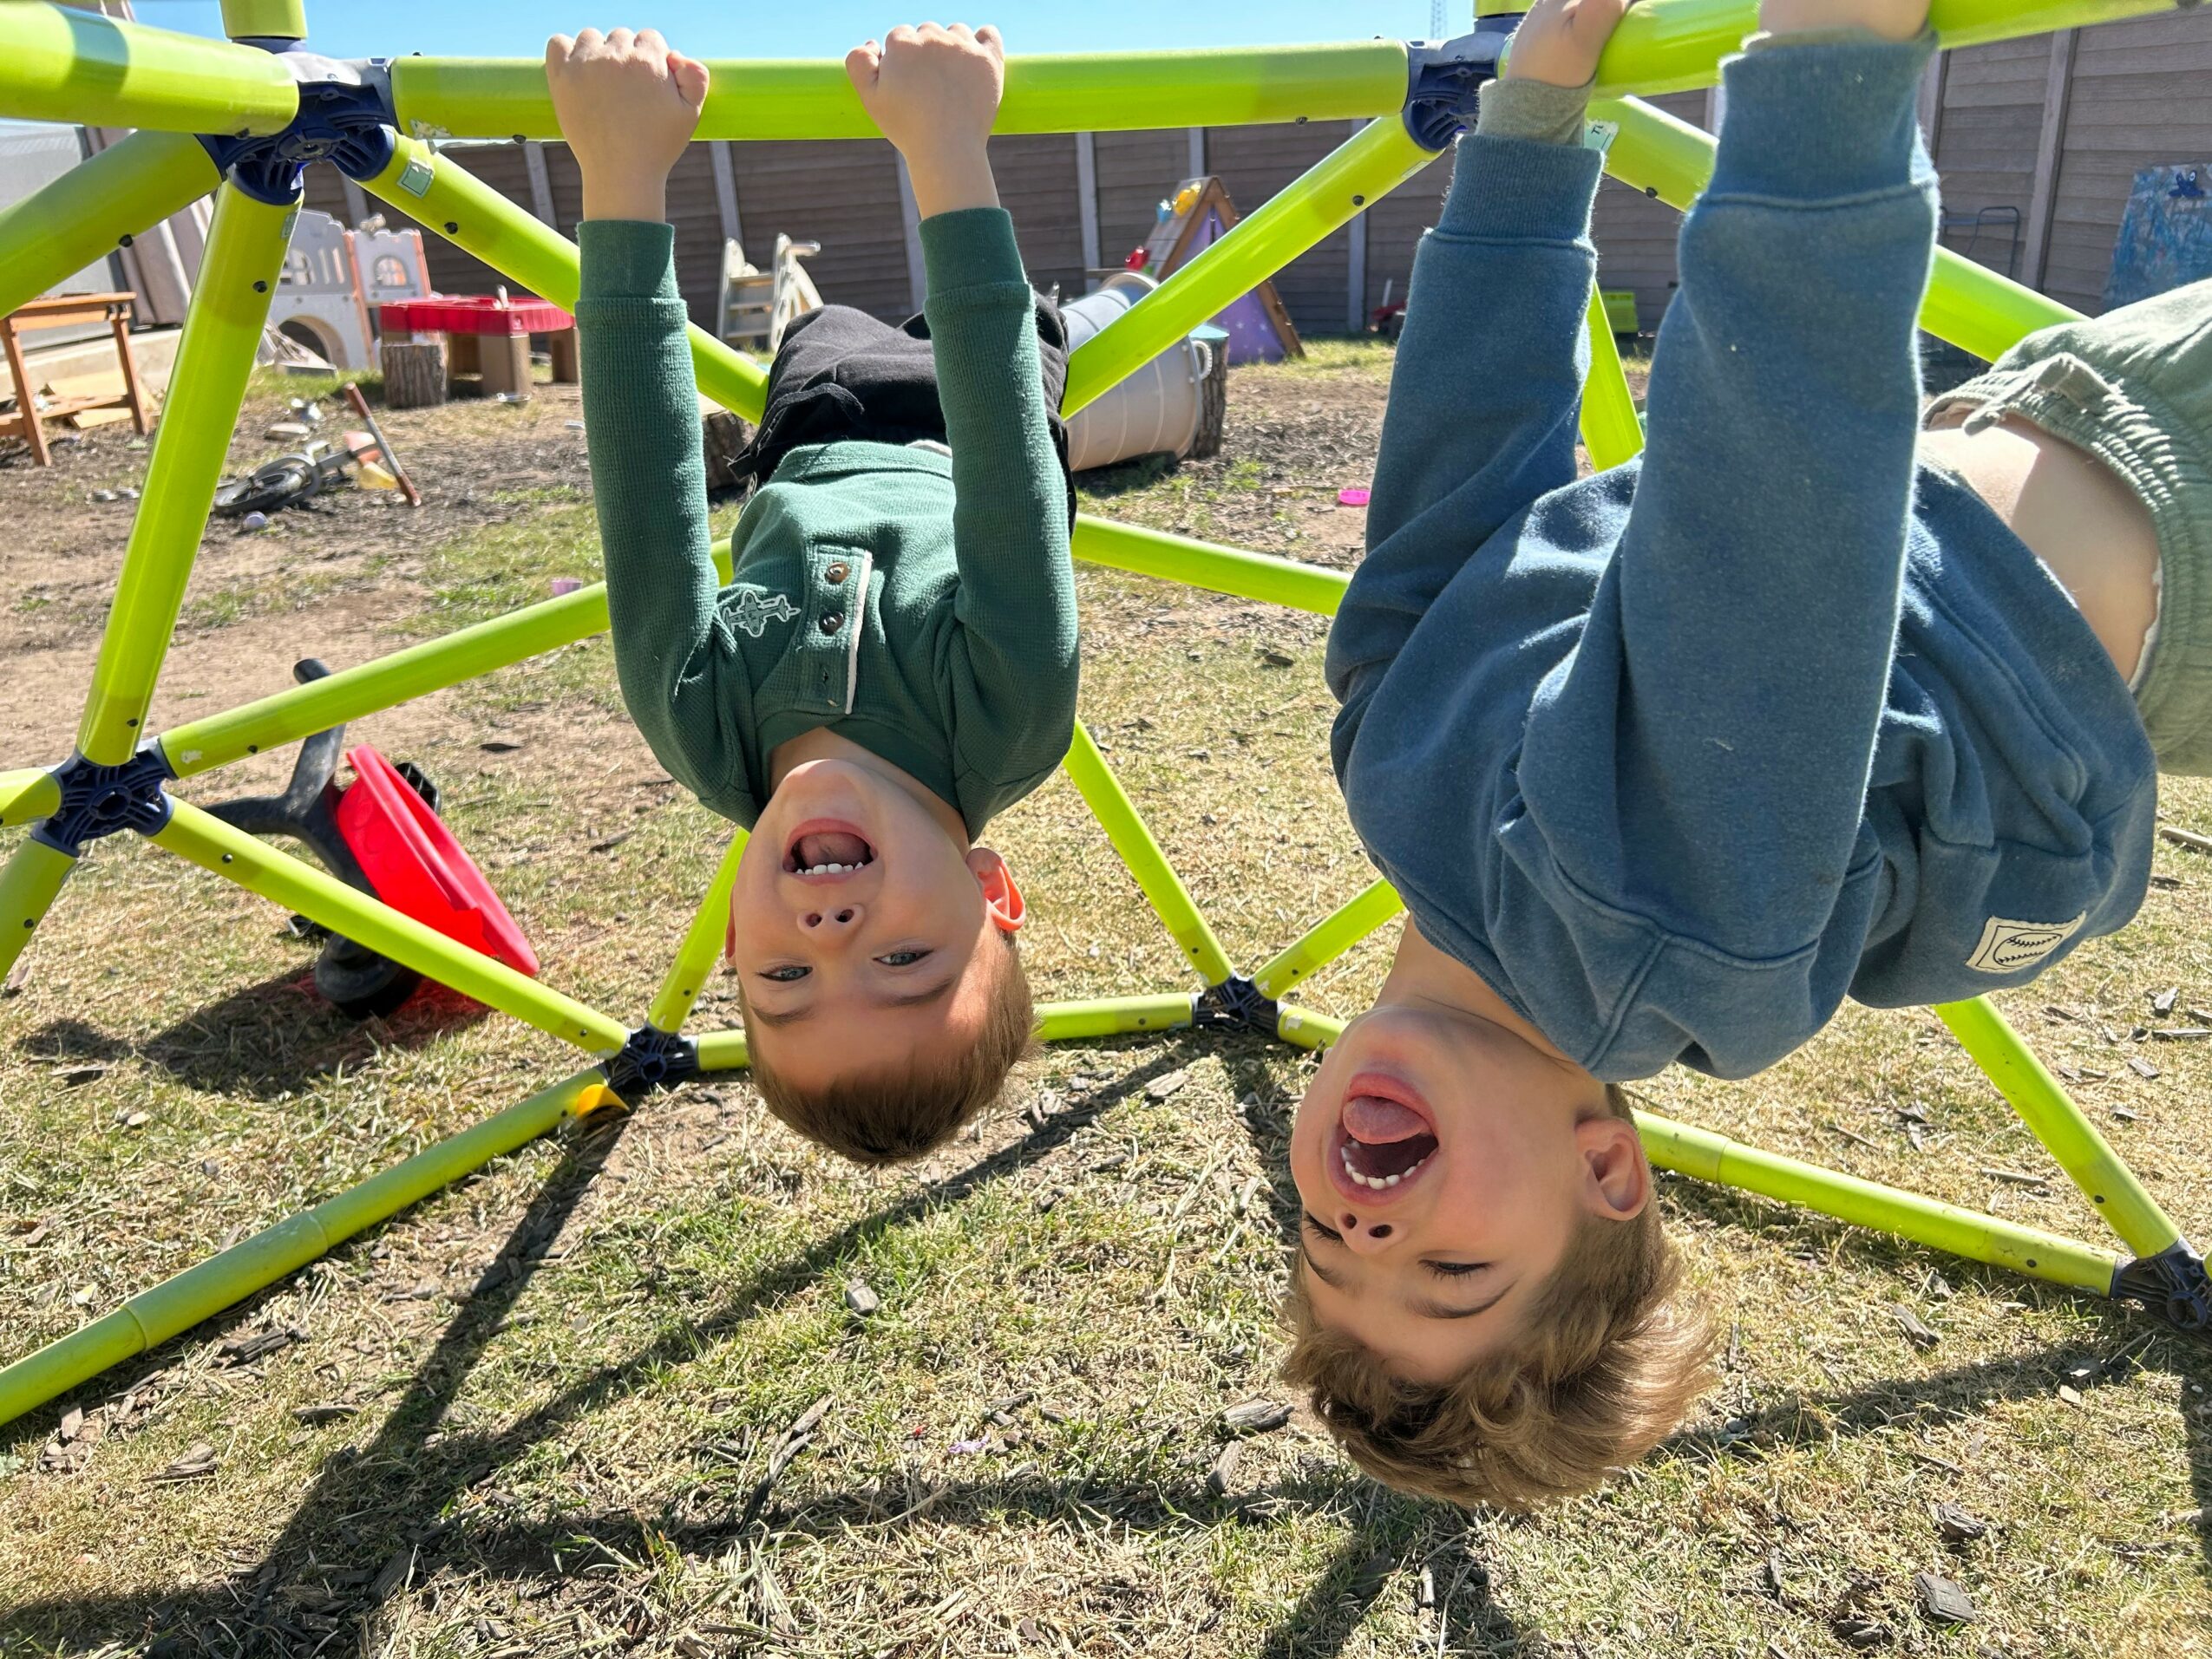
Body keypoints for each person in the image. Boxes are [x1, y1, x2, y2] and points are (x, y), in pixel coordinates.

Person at [1288, 0, 2209, 1508]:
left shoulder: (1385, 769)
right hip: (2177, 515)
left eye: (1328, 1249)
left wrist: (1526, 138)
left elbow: (1456, 473)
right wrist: (1822, 82)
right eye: (1451, 1273)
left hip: (2050, 417)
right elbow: (1768, 503)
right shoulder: (1655, 937)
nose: (1370, 1228)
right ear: (1605, 1171)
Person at [547, 21, 1077, 1164]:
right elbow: (1004, 455)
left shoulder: (697, 721)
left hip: (813, 417)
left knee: (821, 329)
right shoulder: (1010, 717)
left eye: (785, 977)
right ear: (992, 892)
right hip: (966, 422)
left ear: (736, 943)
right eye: (903, 961)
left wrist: (621, 174)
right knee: (1025, 328)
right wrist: (947, 148)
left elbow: (643, 482)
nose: (831, 929)